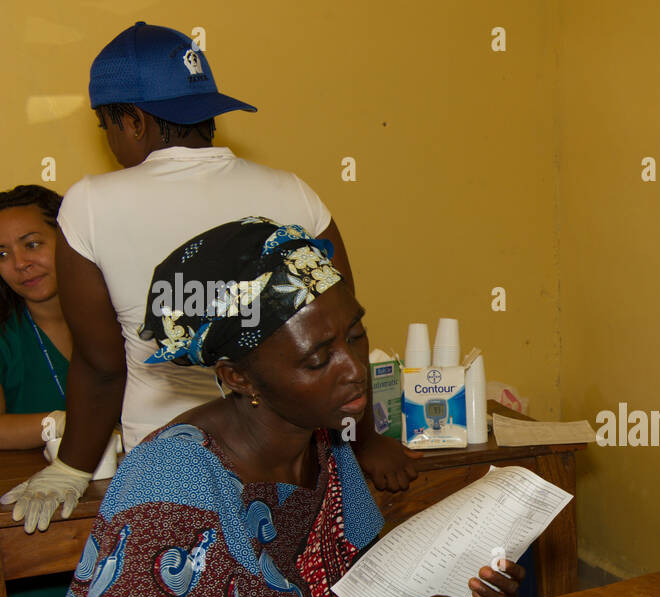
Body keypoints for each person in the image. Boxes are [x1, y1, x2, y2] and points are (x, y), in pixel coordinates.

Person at [69, 218, 524, 597]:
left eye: (356, 335)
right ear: (238, 377)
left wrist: (456, 587)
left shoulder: (322, 434)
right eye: (317, 359)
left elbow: (353, 593)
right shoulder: (175, 476)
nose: (354, 368)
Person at [1, 21, 416, 535]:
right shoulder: (293, 193)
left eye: (107, 126)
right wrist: (365, 438)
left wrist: (71, 467)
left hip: (173, 473)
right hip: (295, 464)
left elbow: (102, 365)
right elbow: (341, 342)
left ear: (131, 121)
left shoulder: (89, 204)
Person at [0, 185, 81, 597]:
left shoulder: (116, 316)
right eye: (2, 255)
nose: (20, 264)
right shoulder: (6, 332)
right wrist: (61, 424)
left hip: (124, 513)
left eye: (32, 243)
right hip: (40, 528)